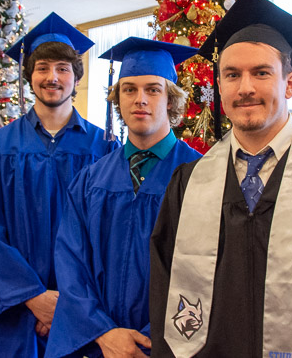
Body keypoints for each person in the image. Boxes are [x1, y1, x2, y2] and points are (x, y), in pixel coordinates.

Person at [150, 0, 292, 357]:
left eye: (261, 73)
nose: (245, 87)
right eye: (232, 75)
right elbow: (165, 292)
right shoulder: (189, 183)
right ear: (219, 86)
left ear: (290, 83)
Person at [0, 12, 120, 357]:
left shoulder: (104, 148)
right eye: (42, 68)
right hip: (16, 311)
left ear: (76, 78)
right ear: (29, 75)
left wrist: (69, 305)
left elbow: (109, 237)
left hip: (85, 315)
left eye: (63, 68)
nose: (52, 77)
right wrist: (34, 298)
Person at [46, 37, 201, 358]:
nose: (139, 99)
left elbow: (204, 273)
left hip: (169, 345)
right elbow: (70, 262)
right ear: (118, 99)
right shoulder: (90, 179)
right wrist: (103, 332)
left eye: (153, 90)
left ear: (171, 100)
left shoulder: (200, 175)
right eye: (129, 89)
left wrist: (149, 340)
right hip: (98, 345)